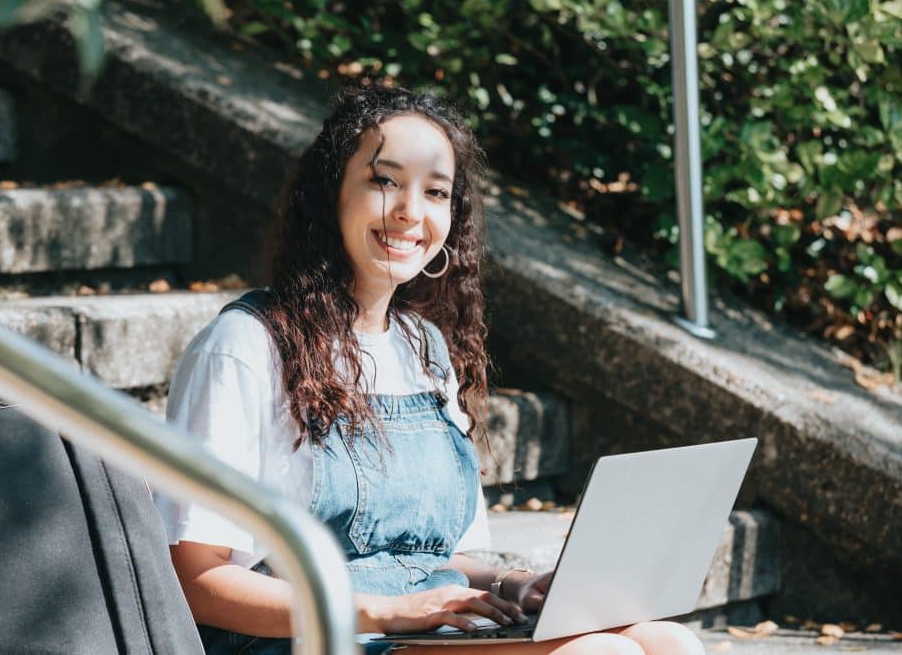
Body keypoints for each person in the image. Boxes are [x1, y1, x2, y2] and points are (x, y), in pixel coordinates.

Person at [156, 86, 705, 655]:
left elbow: (433, 561)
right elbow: (196, 581)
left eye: (436, 191)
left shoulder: (425, 348)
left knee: (667, 641)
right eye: (385, 180)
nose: (410, 212)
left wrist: (516, 587)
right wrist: (393, 612)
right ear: (329, 196)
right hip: (309, 639)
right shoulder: (245, 344)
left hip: (424, 634)